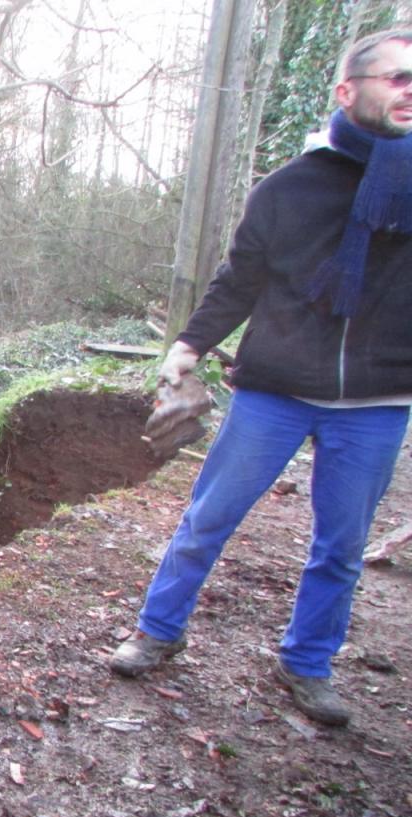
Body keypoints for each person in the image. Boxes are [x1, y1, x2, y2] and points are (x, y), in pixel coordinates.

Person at [111, 28, 412, 728]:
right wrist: (187, 346)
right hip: (274, 390)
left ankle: (308, 663)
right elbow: (239, 279)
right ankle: (158, 630)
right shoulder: (288, 188)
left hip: (377, 399)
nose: (408, 88)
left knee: (340, 545)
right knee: (206, 519)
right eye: (394, 77)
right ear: (347, 91)